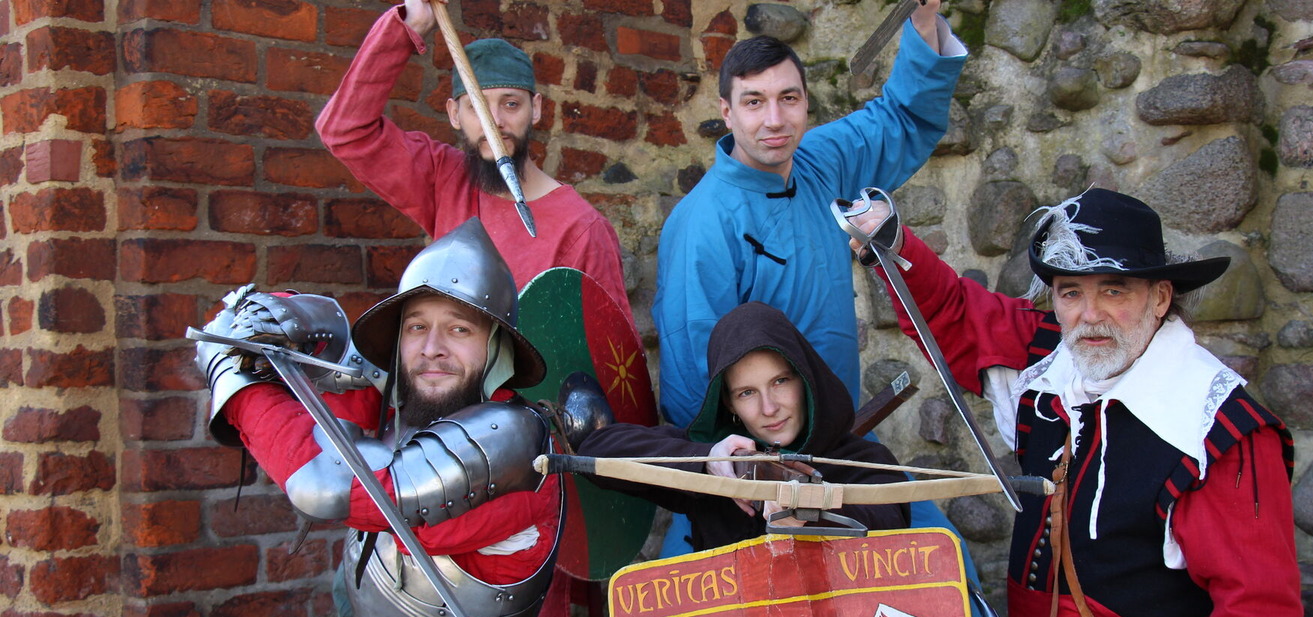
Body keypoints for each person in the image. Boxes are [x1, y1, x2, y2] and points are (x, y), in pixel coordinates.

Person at [849, 188, 1302, 616]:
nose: (1090, 315)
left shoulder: (1217, 433)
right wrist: (894, 244)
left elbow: (1257, 603)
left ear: (1161, 297)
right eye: (1071, 292)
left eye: (1114, 290)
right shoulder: (1050, 355)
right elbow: (955, 313)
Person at [648, 0, 973, 584]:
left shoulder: (819, 162)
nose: (774, 120)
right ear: (726, 111)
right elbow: (696, 385)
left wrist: (923, 22)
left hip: (841, 445)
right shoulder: (701, 225)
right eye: (754, 102)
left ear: (805, 103)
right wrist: (753, 476)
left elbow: (899, 119)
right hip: (754, 473)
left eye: (788, 98)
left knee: (944, 568)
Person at [194, 218, 580, 617]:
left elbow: (327, 485)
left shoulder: (512, 441)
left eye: (459, 329)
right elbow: (335, 366)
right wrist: (275, 317)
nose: (431, 348)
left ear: (498, 348)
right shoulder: (419, 399)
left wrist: (230, 376)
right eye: (417, 327)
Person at [316, 0, 630, 315]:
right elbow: (345, 131)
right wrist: (410, 27)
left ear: (535, 109)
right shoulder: (444, 179)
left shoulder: (582, 228)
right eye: (476, 107)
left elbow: (608, 342)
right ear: (454, 114)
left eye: (510, 104)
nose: (494, 122)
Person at [578, 302, 908, 549]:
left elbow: (890, 526)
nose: (769, 408)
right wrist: (708, 461)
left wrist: (813, 512)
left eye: (780, 381)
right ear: (729, 404)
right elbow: (597, 450)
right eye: (747, 392)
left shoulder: (866, 461)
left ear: (805, 379)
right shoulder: (720, 467)